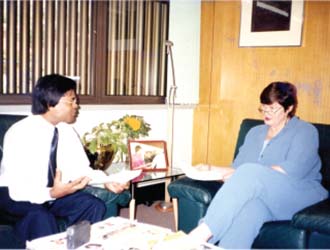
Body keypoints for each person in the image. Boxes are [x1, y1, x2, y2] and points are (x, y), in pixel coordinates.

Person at [188, 81, 328, 249]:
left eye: (272, 109)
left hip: (301, 193)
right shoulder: (255, 132)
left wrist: (247, 174)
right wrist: (210, 168)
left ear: (289, 108)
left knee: (249, 172)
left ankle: (200, 235)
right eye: (263, 108)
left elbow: (293, 170)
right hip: (265, 196)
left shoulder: (305, 131)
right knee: (250, 211)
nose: (266, 113)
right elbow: (238, 169)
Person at [0, 74, 128, 244]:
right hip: (14, 196)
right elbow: (18, 190)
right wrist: (52, 193)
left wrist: (106, 181)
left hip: (53, 194)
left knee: (93, 205)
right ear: (49, 103)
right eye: (71, 101)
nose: (77, 106)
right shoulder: (20, 133)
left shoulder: (66, 131)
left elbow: (82, 169)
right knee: (41, 217)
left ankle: (77, 246)